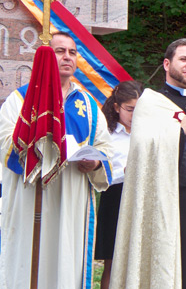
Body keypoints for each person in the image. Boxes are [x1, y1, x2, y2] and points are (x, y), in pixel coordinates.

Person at [0, 32, 113, 288]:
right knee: (26, 259)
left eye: (72, 52)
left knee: (66, 260)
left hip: (70, 198)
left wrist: (95, 163)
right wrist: (39, 150)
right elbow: (5, 143)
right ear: (46, 56)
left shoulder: (89, 105)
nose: (67, 57)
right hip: (30, 197)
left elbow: (105, 147)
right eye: (60, 51)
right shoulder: (19, 100)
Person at [110, 38, 186, 289]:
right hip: (162, 196)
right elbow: (143, 150)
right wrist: (180, 131)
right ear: (167, 63)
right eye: (184, 59)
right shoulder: (150, 103)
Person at [95, 80, 143, 289]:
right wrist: (123, 172)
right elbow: (101, 171)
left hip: (142, 197)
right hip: (116, 196)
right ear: (117, 107)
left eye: (139, 110)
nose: (135, 115)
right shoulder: (108, 134)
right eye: (130, 109)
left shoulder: (149, 132)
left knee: (140, 258)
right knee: (113, 260)